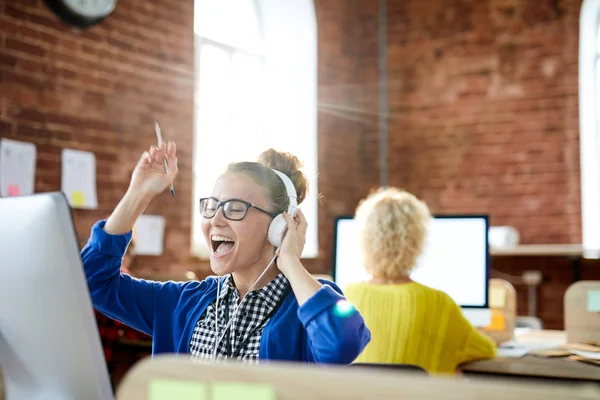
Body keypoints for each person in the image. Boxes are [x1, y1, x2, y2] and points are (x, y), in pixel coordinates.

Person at [82, 140, 370, 364]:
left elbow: (342, 343)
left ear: (279, 226)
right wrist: (138, 193)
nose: (215, 220)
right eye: (212, 206)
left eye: (235, 208)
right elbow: (93, 282)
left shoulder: (307, 306)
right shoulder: (184, 303)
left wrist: (291, 262)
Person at [343, 188, 496, 374]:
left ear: (364, 240)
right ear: (417, 239)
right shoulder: (439, 304)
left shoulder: (343, 298)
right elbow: (486, 350)